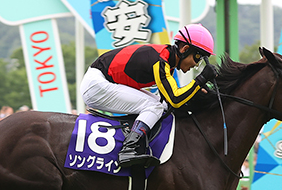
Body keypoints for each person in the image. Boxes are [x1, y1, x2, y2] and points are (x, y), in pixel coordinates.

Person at [80, 23, 217, 167]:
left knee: (160, 106)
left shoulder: (167, 62)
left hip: (101, 81)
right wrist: (201, 79)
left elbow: (169, 103)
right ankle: (128, 149)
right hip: (96, 85)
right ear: (185, 49)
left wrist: (195, 93)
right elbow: (175, 99)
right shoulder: (161, 60)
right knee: (154, 107)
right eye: (197, 58)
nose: (196, 65)